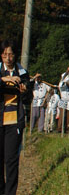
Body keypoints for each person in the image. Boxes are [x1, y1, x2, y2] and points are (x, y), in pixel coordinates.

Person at [0, 40, 29, 195]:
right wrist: (4, 80)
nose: (8, 58)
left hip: (14, 121)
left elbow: (28, 94)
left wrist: (24, 90)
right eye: (5, 54)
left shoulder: (21, 71)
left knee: (11, 160)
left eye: (10, 54)